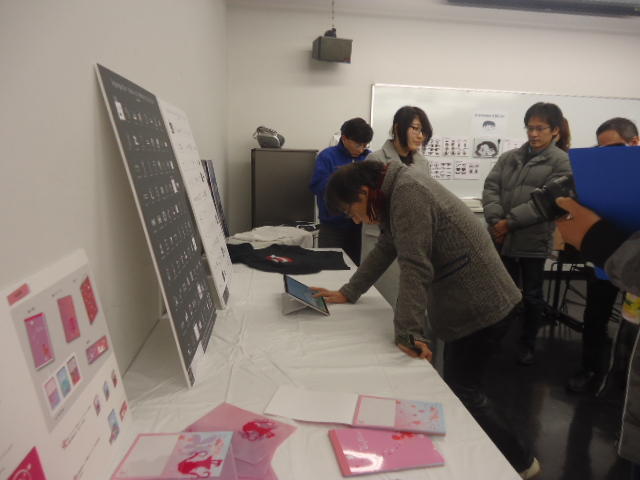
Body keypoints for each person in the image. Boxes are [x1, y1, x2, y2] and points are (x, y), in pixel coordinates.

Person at [312, 159, 540, 478]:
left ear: (363, 192)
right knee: (459, 387)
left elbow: (415, 267)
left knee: (465, 391)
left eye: (352, 211)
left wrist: (408, 332)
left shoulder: (408, 193)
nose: (356, 219)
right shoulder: (394, 191)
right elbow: (387, 246)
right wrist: (350, 291)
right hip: (468, 302)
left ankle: (523, 462)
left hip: (483, 305)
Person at [555, 197, 640, 480]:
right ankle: (592, 370)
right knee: (597, 317)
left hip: (618, 252)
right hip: (610, 257)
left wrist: (598, 240)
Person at [482, 102, 572, 365]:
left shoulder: (562, 162)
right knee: (501, 292)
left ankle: (527, 344)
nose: (533, 134)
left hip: (533, 240)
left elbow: (546, 204)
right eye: (530, 128)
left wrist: (508, 223)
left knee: (532, 296)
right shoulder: (509, 158)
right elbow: (491, 188)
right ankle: (495, 341)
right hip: (501, 237)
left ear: (555, 130)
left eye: (540, 128)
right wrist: (496, 221)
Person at [567, 117, 639, 394]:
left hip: (634, 258)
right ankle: (590, 370)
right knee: (595, 315)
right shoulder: (598, 174)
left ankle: (623, 378)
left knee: (631, 323)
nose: (609, 156)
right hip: (604, 254)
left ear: (635, 142)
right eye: (602, 150)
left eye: (617, 148)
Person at [309, 117, 373, 265]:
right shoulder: (327, 156)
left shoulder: (369, 157)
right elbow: (316, 186)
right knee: (329, 266)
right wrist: (343, 183)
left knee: (359, 267)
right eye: (358, 144)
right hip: (333, 226)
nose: (362, 149)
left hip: (361, 227)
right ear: (344, 138)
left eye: (365, 145)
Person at [366, 105, 431, 168]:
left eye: (423, 131)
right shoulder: (376, 160)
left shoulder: (423, 163)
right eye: (415, 128)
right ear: (397, 128)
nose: (420, 136)